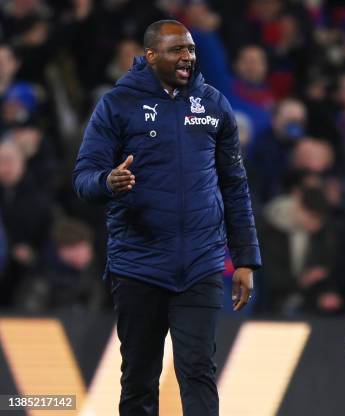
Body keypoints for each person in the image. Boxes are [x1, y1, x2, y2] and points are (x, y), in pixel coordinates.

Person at [73, 20, 261, 416]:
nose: (187, 57)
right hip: (139, 263)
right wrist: (108, 181)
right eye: (177, 49)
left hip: (201, 264)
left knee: (199, 371)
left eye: (191, 49)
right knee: (139, 378)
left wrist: (244, 258)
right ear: (150, 55)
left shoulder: (213, 105)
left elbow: (235, 186)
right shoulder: (117, 104)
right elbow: (83, 178)